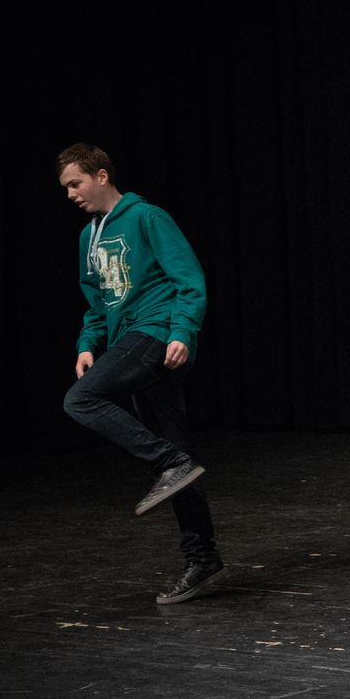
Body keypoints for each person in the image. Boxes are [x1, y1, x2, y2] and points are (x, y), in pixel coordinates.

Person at [58, 143, 224, 604]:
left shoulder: (147, 217)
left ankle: (167, 463)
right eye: (66, 187)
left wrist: (182, 330)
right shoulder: (88, 237)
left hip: (153, 332)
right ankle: (203, 557)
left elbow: (188, 278)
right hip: (123, 338)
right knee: (181, 459)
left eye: (76, 183)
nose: (71, 194)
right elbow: (97, 301)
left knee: (80, 400)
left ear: (102, 175)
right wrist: (87, 344)